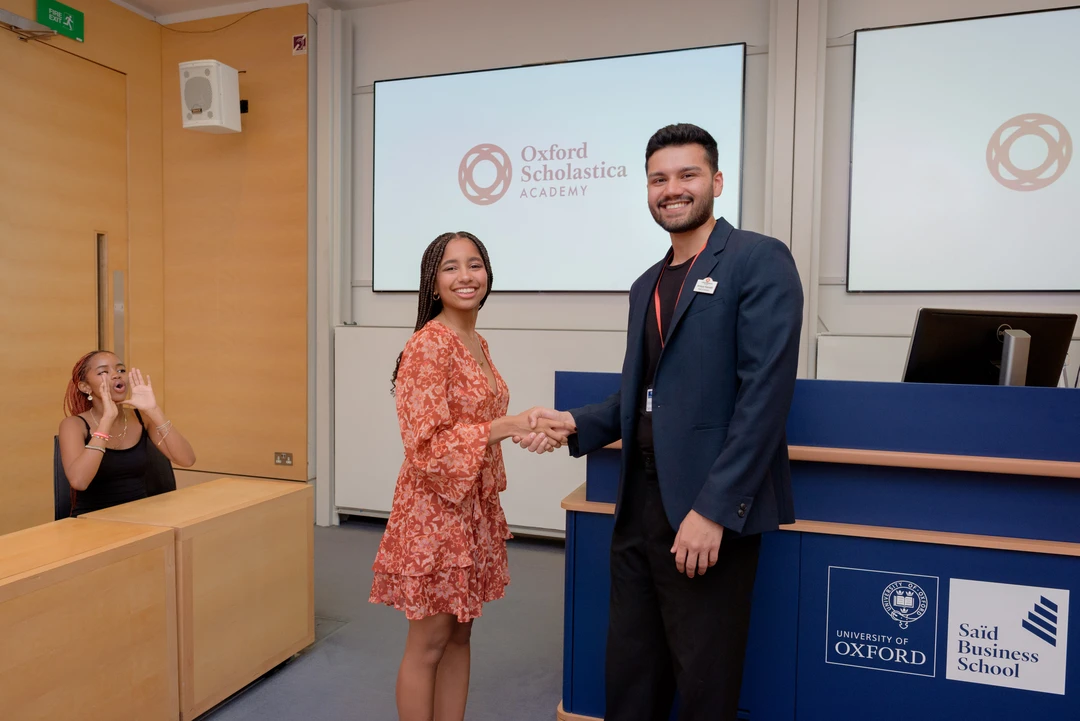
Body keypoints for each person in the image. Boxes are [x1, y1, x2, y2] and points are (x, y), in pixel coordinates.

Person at [519, 124, 804, 721]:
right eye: (659, 179)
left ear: (717, 182)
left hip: (704, 511)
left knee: (704, 683)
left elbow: (763, 399)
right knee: (631, 675)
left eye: (687, 175)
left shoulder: (757, 260)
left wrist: (714, 511)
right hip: (639, 504)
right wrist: (574, 421)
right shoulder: (646, 284)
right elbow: (643, 393)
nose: (672, 189)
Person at [369, 231, 568, 721]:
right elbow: (425, 446)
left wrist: (523, 426)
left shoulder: (475, 340)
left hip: (471, 507)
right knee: (429, 642)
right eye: (451, 267)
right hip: (434, 512)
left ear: (488, 274)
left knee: (461, 632)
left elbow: (477, 426)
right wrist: (512, 423)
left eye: (474, 264)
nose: (465, 276)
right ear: (433, 282)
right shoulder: (428, 345)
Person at [58, 350, 196, 515]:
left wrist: (154, 411)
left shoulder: (141, 418)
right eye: (103, 372)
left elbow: (187, 460)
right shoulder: (73, 425)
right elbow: (79, 481)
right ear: (85, 387)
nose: (116, 375)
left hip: (140, 518)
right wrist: (107, 421)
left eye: (121, 370)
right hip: (92, 523)